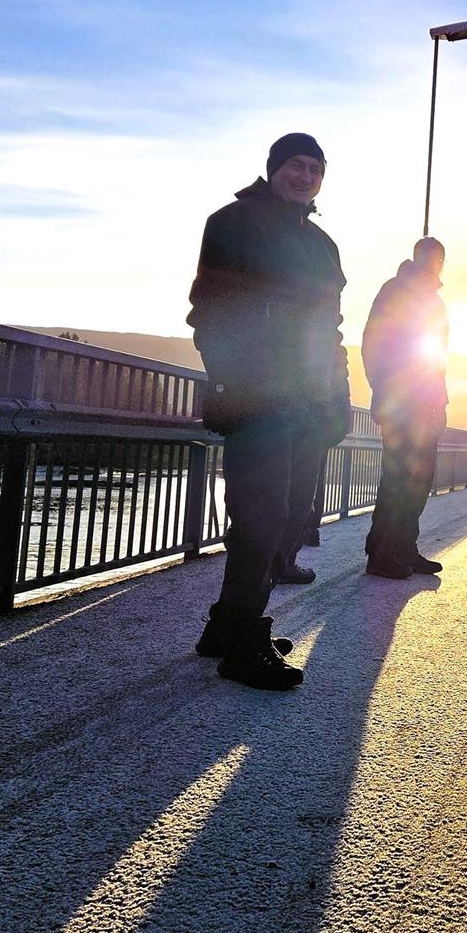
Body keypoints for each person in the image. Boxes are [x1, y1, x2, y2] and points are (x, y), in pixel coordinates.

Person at [187, 132, 349, 690]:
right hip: (257, 396)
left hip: (308, 401)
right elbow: (209, 310)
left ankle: (227, 625)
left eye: (315, 169)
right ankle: (242, 644)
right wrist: (231, 381)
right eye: (295, 166)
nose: (305, 177)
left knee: (290, 516)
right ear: (274, 168)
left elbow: (331, 330)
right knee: (260, 517)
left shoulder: (322, 245)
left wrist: (337, 396)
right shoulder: (233, 223)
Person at [362, 237, 449, 579]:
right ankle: (382, 554)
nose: (434, 266)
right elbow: (373, 342)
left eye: (439, 261)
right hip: (400, 404)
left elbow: (438, 357)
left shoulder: (435, 301)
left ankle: (404, 548)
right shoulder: (394, 291)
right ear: (417, 259)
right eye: (430, 259)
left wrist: (440, 400)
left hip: (428, 406)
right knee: (397, 479)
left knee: (419, 480)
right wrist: (384, 390)